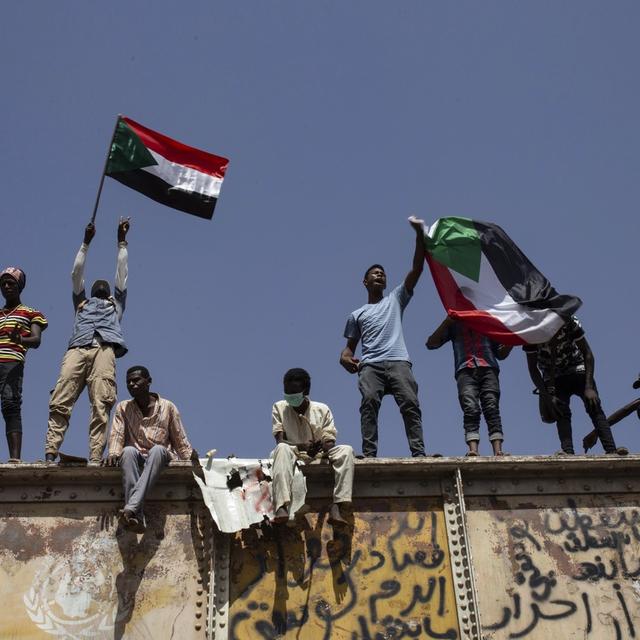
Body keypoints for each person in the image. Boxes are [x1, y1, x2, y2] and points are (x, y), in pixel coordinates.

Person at [340, 216, 428, 457]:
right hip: (371, 366)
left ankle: (419, 454)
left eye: (383, 274)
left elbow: (417, 268)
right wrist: (345, 358)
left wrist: (420, 235)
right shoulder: (356, 314)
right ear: (365, 281)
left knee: (410, 405)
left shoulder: (396, 299)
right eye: (375, 273)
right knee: (369, 405)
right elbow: (348, 349)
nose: (380, 275)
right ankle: (369, 454)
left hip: (399, 361)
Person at [45, 218, 130, 464]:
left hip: (104, 350)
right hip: (78, 349)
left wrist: (121, 243)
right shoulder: (81, 303)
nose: (102, 286)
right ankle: (51, 451)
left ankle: (95, 456)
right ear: (90, 291)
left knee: (101, 403)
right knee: (61, 398)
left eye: (105, 286)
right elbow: (76, 273)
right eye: (97, 286)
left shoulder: (116, 304)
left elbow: (122, 274)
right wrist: (85, 244)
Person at [105, 366, 199, 533]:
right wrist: (113, 453)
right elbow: (117, 434)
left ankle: (130, 507)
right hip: (137, 456)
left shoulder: (167, 407)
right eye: (128, 382)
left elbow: (180, 438)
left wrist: (190, 458)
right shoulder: (123, 408)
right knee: (127, 452)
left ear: (149, 382)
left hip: (161, 456)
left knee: (157, 450)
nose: (132, 384)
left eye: (136, 380)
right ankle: (135, 516)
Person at [525, 315, 628, 456]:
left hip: (577, 368)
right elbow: (532, 368)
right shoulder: (531, 331)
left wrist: (589, 386)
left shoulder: (569, 321)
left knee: (594, 406)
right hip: (553, 376)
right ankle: (567, 452)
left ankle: (611, 450)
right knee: (561, 412)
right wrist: (547, 395)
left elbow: (588, 354)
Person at [271, 368, 354, 525]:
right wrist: (302, 446)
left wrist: (321, 446)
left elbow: (330, 441)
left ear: (305, 391)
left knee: (346, 450)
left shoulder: (322, 409)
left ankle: (337, 505)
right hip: (293, 452)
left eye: (294, 395)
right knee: (281, 449)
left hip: (319, 454)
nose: (290, 399)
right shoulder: (279, 407)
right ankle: (281, 506)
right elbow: (280, 440)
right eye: (287, 394)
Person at [426, 317, 512, 456]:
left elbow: (500, 354)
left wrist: (512, 340)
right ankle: (473, 451)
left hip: (488, 367)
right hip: (465, 369)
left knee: (491, 407)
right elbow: (431, 343)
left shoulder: (487, 320)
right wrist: (448, 321)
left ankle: (498, 451)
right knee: (470, 408)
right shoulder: (454, 322)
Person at [0, 267, 47, 461]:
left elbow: (36, 340)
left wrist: (19, 339)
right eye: (3, 284)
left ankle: (15, 459)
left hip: (11, 363)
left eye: (11, 283)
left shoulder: (30, 313)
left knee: (10, 405)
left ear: (20, 286)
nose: (6, 286)